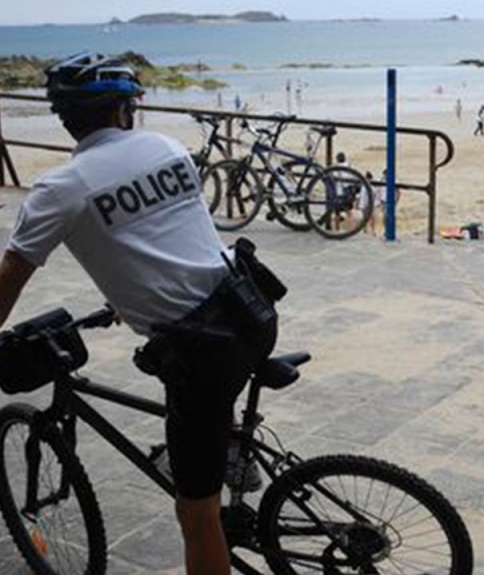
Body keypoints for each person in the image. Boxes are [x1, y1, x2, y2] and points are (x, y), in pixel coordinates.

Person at [0, 53, 278, 575]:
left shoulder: (60, 189)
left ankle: (212, 476)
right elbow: (163, 235)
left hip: (203, 352)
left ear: (64, 118)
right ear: (125, 111)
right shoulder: (167, 147)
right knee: (208, 413)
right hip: (249, 311)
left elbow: (11, 277)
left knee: (196, 515)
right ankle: (226, 449)